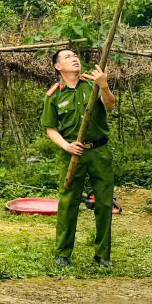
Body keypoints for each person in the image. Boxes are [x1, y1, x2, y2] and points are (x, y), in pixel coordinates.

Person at [41, 48, 116, 268]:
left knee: (104, 204)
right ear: (57, 67)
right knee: (68, 203)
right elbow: (51, 129)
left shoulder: (92, 83)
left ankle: (102, 255)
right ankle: (63, 254)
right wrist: (67, 145)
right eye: (67, 57)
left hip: (99, 152)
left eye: (75, 56)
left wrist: (104, 85)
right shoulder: (54, 94)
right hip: (72, 154)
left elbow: (110, 105)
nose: (74, 59)